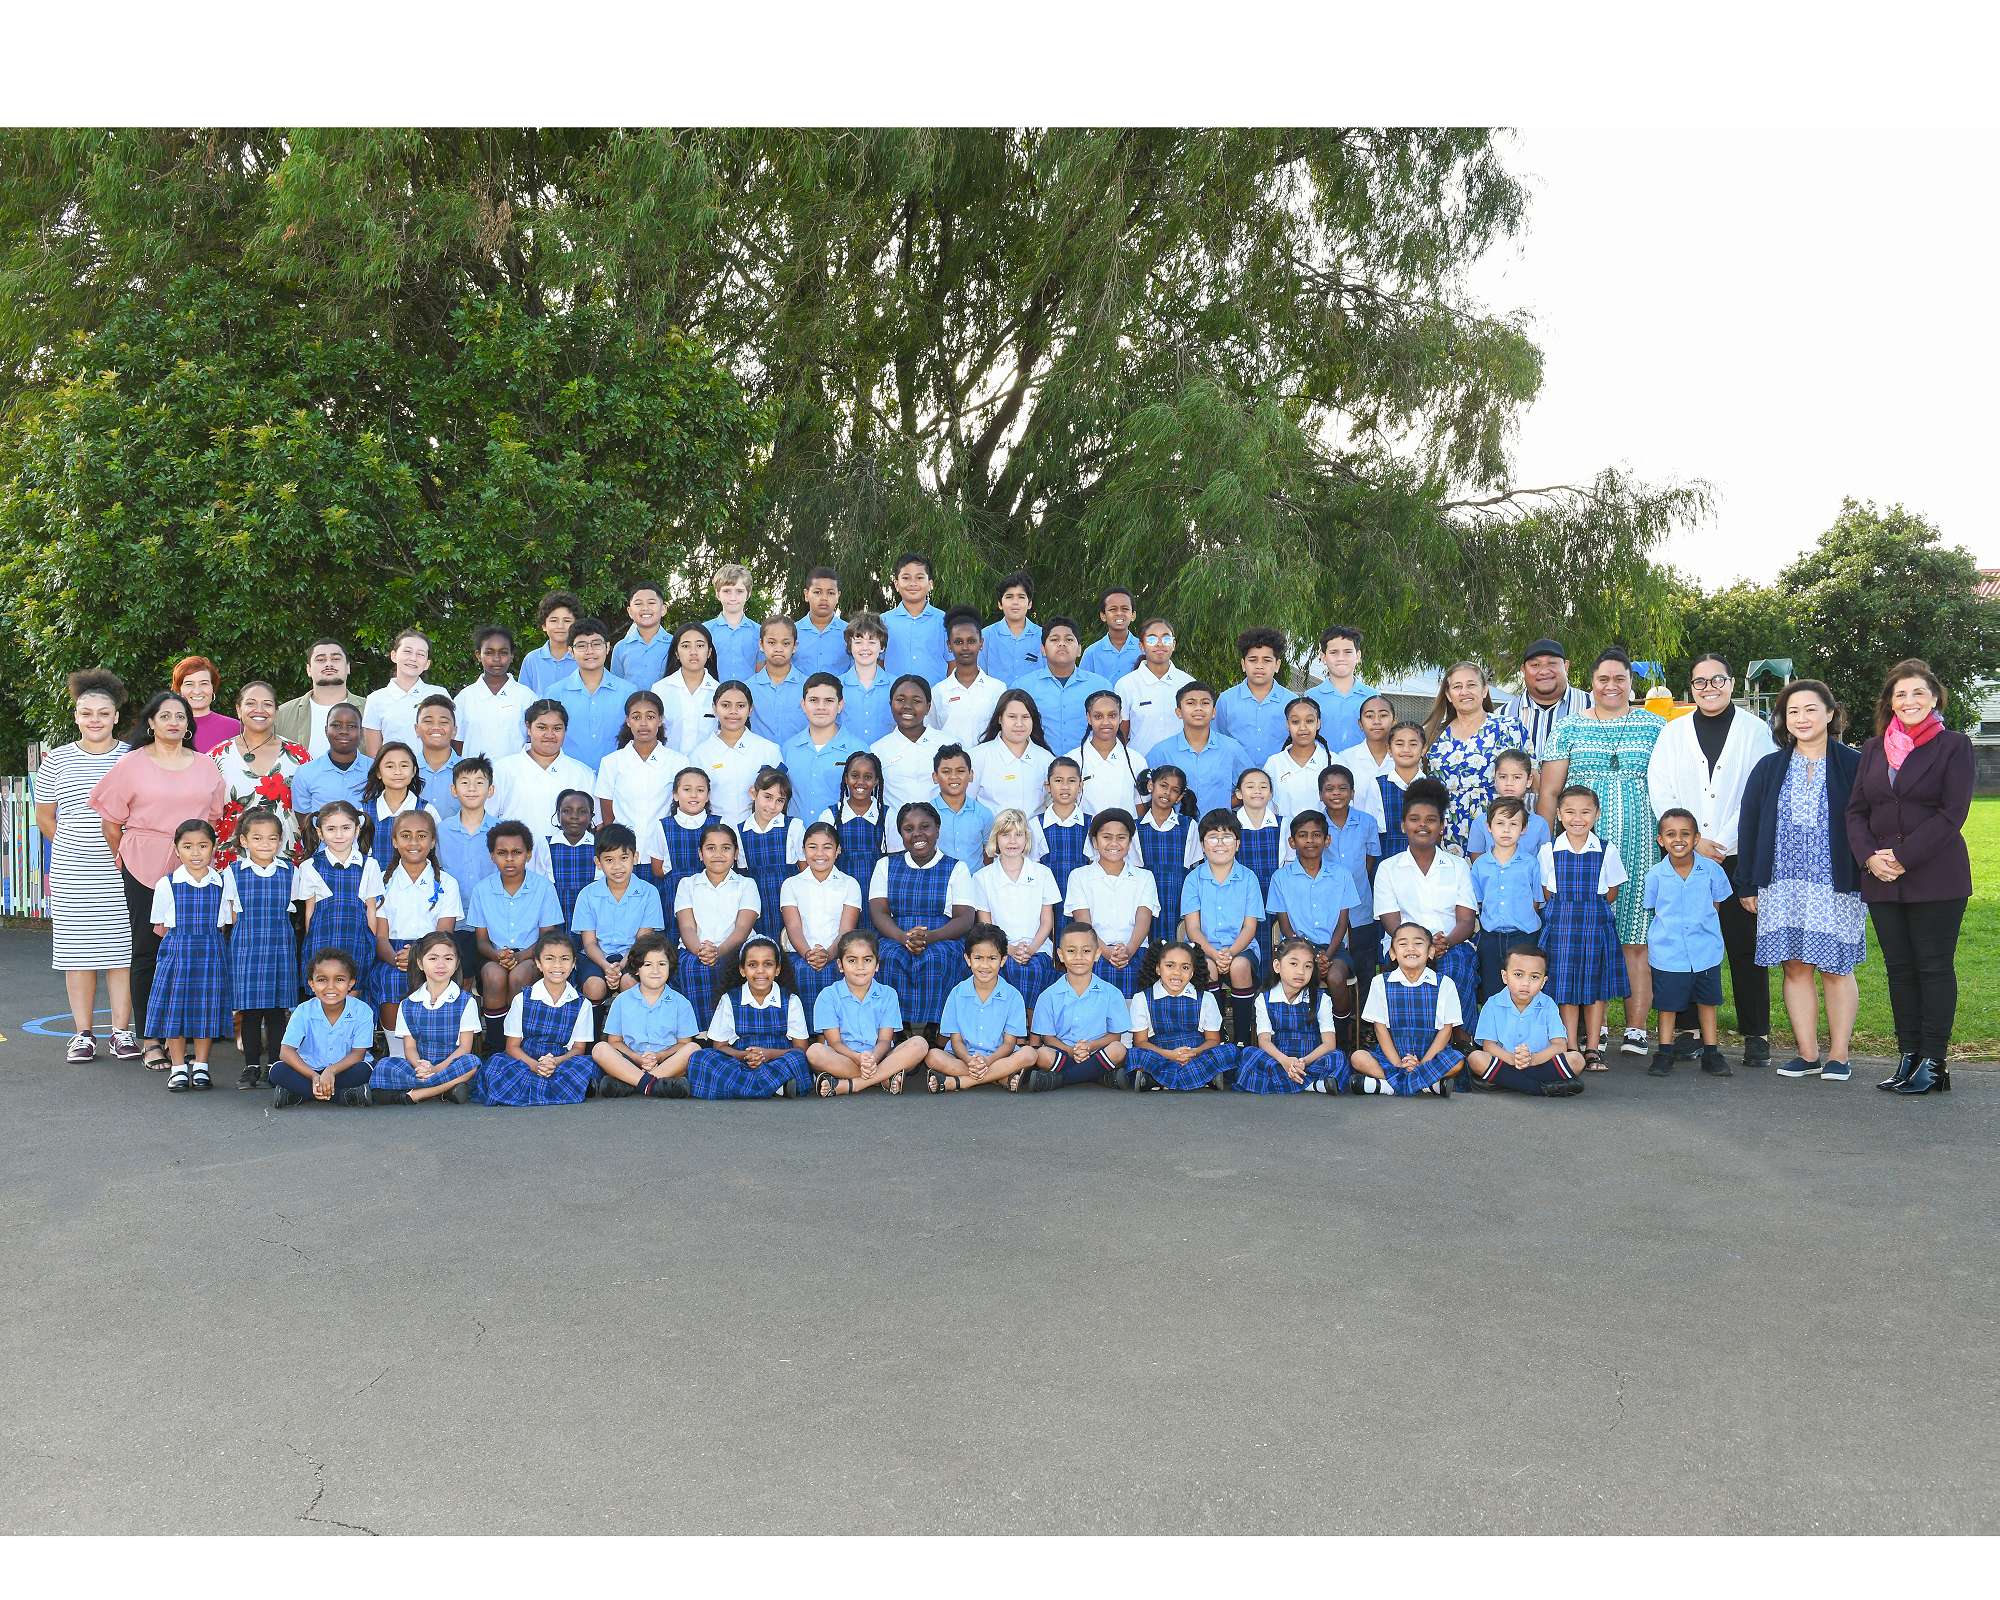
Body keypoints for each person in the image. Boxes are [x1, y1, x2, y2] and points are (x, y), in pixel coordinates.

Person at [1847, 659, 1977, 1095]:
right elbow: (1856, 812)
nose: (1909, 701)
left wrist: (1903, 857)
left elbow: (1953, 812)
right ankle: (1908, 1056)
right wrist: (1869, 858)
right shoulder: (1873, 749)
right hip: (1881, 877)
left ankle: (1934, 1063)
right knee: (1900, 970)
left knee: (1933, 967)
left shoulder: (1954, 746)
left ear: (1935, 697)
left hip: (1936, 875)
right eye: (1900, 694)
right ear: (1890, 702)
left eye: (1918, 692)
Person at [1645, 653, 1777, 1065]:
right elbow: (1660, 787)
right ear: (1691, 688)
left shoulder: (1755, 732)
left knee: (1744, 944)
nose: (1709, 688)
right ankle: (1688, 1029)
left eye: (1717, 680)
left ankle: (1756, 1033)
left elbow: (1759, 791)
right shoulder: (1674, 732)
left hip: (1737, 854)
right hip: (1685, 856)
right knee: (1686, 940)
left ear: (1731, 683)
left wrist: (1720, 842)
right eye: (1700, 682)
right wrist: (1692, 840)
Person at [89, 689, 227, 1069]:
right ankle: (151, 1038)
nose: (173, 722)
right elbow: (111, 822)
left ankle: (183, 1035)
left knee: (195, 949)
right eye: (165, 716)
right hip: (143, 864)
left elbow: (213, 819)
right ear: (151, 722)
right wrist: (126, 857)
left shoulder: (205, 765)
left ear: (189, 725)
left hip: (194, 870)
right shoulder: (131, 764)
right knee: (148, 951)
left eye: (180, 716)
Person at [1537, 646, 1665, 1056]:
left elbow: (1670, 784)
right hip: (1580, 852)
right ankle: (1598, 1028)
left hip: (1641, 845)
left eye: (1620, 679)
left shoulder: (1654, 726)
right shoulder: (1569, 727)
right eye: (1603, 679)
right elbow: (1550, 791)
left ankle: (1636, 1028)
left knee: (1635, 937)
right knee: (1588, 939)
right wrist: (1543, 842)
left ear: (1631, 682)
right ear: (1591, 683)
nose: (1612, 685)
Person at [1735, 678, 1864, 1082]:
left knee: (1836, 966)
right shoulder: (1769, 768)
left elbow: (1869, 821)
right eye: (1793, 711)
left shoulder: (1854, 764)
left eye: (1810, 709)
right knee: (1794, 966)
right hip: (1781, 883)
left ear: (1830, 714)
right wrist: (1748, 883)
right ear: (1783, 719)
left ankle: (1839, 1055)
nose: (1802, 718)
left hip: (1835, 882)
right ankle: (1807, 1054)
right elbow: (1749, 826)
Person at [36, 669, 135, 1062]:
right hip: (72, 873)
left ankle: (122, 1033)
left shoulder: (131, 757)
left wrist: (120, 855)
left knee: (121, 953)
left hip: (122, 871)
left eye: (103, 713)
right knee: (78, 955)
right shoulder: (57, 760)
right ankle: (83, 1034)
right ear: (76, 716)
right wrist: (73, 849)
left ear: (116, 716)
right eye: (87, 712)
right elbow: (45, 817)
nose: (95, 719)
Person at [1539, 784, 1629, 1067]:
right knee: (1565, 989)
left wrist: (1589, 906)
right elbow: (1546, 892)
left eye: (1585, 812)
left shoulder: (1606, 849)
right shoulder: (1549, 850)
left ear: (1597, 814)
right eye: (1570, 812)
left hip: (1595, 926)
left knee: (1595, 988)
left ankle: (1592, 1048)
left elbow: (1611, 892)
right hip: (1561, 928)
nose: (1577, 818)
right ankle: (1571, 1047)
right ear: (1559, 814)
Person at [1371, 778, 1478, 1011]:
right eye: (1414, 819)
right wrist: (1420, 945)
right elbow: (1391, 922)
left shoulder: (1458, 866)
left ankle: (1457, 1033)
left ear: (1442, 827)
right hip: (1402, 946)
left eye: (1431, 820)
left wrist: (1445, 942)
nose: (1422, 825)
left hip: (1450, 944)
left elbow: (1466, 921)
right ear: (1403, 825)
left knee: (1454, 973)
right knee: (1410, 973)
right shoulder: (1388, 868)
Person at [868, 803, 976, 1033]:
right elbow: (879, 912)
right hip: (895, 934)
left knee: (938, 958)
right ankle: (896, 1028)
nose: (917, 834)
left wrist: (931, 937)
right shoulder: (885, 865)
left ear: (937, 829)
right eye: (909, 829)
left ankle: (936, 1028)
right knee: (890, 957)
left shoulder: (956, 868)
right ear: (901, 834)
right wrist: (903, 937)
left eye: (925, 826)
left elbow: (965, 919)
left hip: (942, 935)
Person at [1643, 808, 1734, 1078]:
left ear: (1696, 838)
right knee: (1668, 1005)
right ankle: (1664, 1052)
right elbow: (1654, 907)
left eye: (1685, 834)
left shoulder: (1712, 871)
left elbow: (1716, 903)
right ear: (1661, 840)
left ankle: (1711, 1053)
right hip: (1668, 952)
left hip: (1705, 951)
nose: (1678, 839)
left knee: (1707, 1002)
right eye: (1671, 834)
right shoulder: (1655, 875)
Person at [146, 818, 232, 1092]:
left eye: (203, 846)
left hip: (211, 952)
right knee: (176, 1010)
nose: (196, 853)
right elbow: (161, 924)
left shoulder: (222, 883)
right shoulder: (167, 884)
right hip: (178, 954)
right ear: (176, 849)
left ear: (214, 847)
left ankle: (202, 1066)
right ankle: (178, 1068)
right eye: (187, 846)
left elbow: (224, 922)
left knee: (206, 1009)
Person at [219, 809, 300, 1091]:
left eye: (272, 838)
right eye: (257, 838)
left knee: (277, 1011)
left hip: (279, 946)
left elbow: (295, 911)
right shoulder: (233, 873)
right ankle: (251, 1066)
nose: (265, 844)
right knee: (250, 1011)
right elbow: (231, 917)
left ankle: (276, 1066)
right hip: (247, 947)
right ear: (244, 840)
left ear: (280, 841)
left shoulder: (290, 872)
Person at [463, 820, 566, 1042]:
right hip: (494, 955)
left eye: (517, 852)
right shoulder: (482, 890)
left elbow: (547, 938)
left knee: (520, 977)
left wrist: (519, 957)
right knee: (494, 977)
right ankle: (497, 1045)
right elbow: (481, 941)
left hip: (533, 955)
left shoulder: (544, 888)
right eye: (502, 853)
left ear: (528, 854)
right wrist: (498, 956)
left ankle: (519, 1042)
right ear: (492, 856)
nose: (509, 859)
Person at [473, 932, 599, 1107]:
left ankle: (540, 1088)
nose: (557, 965)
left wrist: (555, 1062)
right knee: (496, 1065)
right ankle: (561, 1090)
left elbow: (578, 1049)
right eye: (549, 959)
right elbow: (512, 1047)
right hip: (525, 1060)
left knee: (584, 1065)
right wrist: (534, 1065)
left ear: (573, 964)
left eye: (564, 959)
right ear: (538, 963)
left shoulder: (581, 1003)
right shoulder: (522, 999)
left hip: (560, 1061)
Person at [366, 810, 463, 1031]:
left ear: (433, 841)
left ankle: (429, 1043)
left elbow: (445, 935)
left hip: (434, 952)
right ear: (394, 841)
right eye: (405, 835)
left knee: (435, 977)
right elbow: (380, 937)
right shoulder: (381, 881)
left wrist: (418, 956)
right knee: (391, 980)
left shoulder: (447, 883)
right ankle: (396, 1047)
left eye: (421, 836)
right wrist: (398, 959)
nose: (413, 842)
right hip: (393, 954)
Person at [1268, 809, 1364, 1030]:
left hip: (1333, 948)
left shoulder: (1342, 875)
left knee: (1336, 977)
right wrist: (1310, 955)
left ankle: (1341, 1037)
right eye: (1303, 835)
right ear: (1292, 842)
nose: (1310, 840)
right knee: (1297, 972)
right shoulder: (1280, 878)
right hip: (1294, 946)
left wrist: (1326, 956)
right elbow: (1285, 926)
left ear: (1327, 840)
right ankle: (1299, 1032)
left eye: (1316, 835)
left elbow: (1342, 924)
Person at [686, 935, 815, 1099]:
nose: (760, 971)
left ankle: (741, 1088)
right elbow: (719, 1047)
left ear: (777, 969)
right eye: (753, 965)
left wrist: (768, 1054)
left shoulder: (791, 1000)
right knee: (701, 1058)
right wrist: (745, 1056)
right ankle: (775, 1087)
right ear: (742, 970)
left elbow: (800, 1049)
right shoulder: (729, 999)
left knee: (797, 1059)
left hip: (777, 1061)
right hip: (740, 1062)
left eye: (768, 964)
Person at [1423, 661, 1532, 855]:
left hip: (1499, 831)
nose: (1464, 691)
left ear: (1484, 690)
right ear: (1448, 694)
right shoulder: (1433, 735)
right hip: (1448, 834)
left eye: (1471, 685)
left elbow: (1533, 780)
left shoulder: (1509, 728)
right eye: (1457, 686)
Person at [1349, 920, 1466, 1095]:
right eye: (1403, 944)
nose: (1411, 948)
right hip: (1391, 1056)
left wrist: (1422, 1064)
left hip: (1431, 1056)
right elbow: (1380, 1029)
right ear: (1393, 953)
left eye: (1418, 943)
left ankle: (1388, 1086)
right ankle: (1428, 1086)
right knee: (1358, 1057)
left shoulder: (1445, 984)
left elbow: (1446, 1031)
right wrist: (1398, 1063)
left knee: (1457, 1061)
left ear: (1431, 952)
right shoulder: (1380, 983)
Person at [806, 929, 929, 1095]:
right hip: (844, 1058)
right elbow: (835, 1043)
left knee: (920, 1044)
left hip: (880, 1057)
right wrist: (858, 1058)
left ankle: (853, 1085)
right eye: (852, 960)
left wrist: (873, 1059)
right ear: (840, 965)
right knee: (814, 1052)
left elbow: (885, 1040)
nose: (860, 967)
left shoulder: (888, 994)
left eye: (867, 960)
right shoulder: (828, 996)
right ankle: (883, 1078)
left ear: (877, 965)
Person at [365, 931, 482, 1104]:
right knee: (384, 1066)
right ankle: (444, 1090)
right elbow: (410, 1048)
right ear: (420, 963)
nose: (441, 964)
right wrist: (420, 1066)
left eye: (448, 958)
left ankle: (416, 1094)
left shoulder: (465, 1001)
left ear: (457, 963)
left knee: (472, 1063)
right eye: (433, 958)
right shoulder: (408, 1004)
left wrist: (436, 1069)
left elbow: (465, 1048)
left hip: (450, 1065)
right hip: (420, 1067)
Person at [1179, 810, 1265, 1041]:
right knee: (1207, 967)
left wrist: (1230, 953)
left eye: (1226, 837)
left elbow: (1250, 927)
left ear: (1237, 844)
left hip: (1241, 948)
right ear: (1202, 845)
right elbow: (1192, 929)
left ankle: (1242, 1039)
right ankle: (1216, 1036)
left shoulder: (1248, 878)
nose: (1220, 843)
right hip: (1203, 949)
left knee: (1239, 966)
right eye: (1212, 837)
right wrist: (1214, 953)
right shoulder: (1193, 879)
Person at [1018, 922, 1131, 1091]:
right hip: (1064, 1053)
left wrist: (1090, 1047)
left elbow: (1115, 1037)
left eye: (1086, 951)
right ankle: (1100, 1076)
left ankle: (1060, 1080)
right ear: (1060, 955)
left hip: (1098, 1052)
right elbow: (1048, 1039)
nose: (1079, 957)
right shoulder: (1048, 996)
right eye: (1071, 951)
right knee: (1042, 1054)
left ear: (1097, 954)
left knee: (1118, 1050)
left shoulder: (1112, 993)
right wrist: (1071, 1051)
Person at [925, 924, 1038, 1092]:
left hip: (999, 1057)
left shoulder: (1013, 996)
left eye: (992, 958)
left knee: (1030, 1054)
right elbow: (956, 1041)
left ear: (1003, 960)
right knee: (932, 1057)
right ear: (968, 959)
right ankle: (999, 1077)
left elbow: (1009, 1044)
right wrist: (969, 1060)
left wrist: (988, 1061)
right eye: (978, 958)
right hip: (963, 1058)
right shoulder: (957, 994)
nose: (985, 965)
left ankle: (959, 1082)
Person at [1230, 936, 1348, 1094]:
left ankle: (1287, 1082)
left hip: (1311, 1060)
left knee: (1338, 1057)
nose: (1301, 971)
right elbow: (1264, 1041)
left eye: (1308, 966)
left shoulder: (1322, 999)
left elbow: (1329, 1044)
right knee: (1248, 1055)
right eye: (1293, 964)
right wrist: (1285, 1061)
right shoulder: (1264, 999)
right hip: (1279, 1060)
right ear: (1277, 966)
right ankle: (1313, 1085)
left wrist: (1304, 1062)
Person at [1465, 944, 1586, 1095]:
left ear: (1543, 982)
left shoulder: (1548, 1004)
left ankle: (1506, 1083)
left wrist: (1532, 1059)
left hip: (1541, 1063)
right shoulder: (1492, 1004)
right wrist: (1512, 1059)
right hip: (1506, 1061)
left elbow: (1559, 1045)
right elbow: (1489, 1046)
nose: (1525, 983)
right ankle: (1541, 1088)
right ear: (1505, 977)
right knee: (1476, 1058)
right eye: (1518, 974)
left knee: (1577, 1060)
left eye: (1534, 977)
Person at [1062, 809, 1158, 1000]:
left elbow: (1143, 918)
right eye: (1106, 837)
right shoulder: (1079, 876)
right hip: (1093, 950)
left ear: (1129, 842)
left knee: (1137, 997)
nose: (1114, 843)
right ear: (1095, 842)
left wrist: (1128, 951)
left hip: (1135, 951)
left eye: (1121, 837)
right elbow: (1083, 922)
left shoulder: (1144, 877)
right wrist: (1106, 952)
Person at [970, 809, 1063, 1007]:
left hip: (1037, 947)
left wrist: (1031, 949)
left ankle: (1033, 1025)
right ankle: (1010, 1024)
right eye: (1006, 834)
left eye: (1018, 834)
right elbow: (986, 925)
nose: (1012, 841)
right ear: (996, 838)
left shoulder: (1043, 873)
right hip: (999, 947)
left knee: (1034, 970)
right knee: (1008, 969)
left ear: (1026, 838)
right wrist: (1009, 949)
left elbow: (1047, 921)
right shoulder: (982, 877)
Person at [294, 800, 382, 1007]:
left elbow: (371, 910)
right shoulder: (309, 866)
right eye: (331, 829)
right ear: (320, 832)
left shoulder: (369, 865)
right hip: (322, 942)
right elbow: (309, 912)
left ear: (357, 829)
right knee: (324, 997)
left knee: (352, 997)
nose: (339, 835)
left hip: (357, 941)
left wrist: (371, 945)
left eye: (346, 828)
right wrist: (310, 946)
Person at [591, 931, 699, 1099]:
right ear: (636, 969)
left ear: (670, 967)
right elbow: (614, 1042)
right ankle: (654, 1084)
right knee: (600, 1049)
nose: (655, 970)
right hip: (631, 1061)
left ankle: (634, 1083)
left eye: (662, 964)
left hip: (666, 1062)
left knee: (694, 1049)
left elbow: (684, 1043)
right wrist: (637, 1059)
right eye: (648, 964)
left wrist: (659, 1056)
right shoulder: (621, 1001)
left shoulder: (681, 1003)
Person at [673, 820, 761, 1025]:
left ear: (736, 853)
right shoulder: (687, 884)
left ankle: (733, 1030)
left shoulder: (746, 884)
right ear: (700, 853)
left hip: (735, 949)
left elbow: (742, 929)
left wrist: (718, 952)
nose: (718, 854)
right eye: (711, 848)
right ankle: (699, 1031)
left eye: (726, 848)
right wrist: (701, 951)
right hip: (696, 949)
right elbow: (687, 927)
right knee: (691, 967)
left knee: (735, 967)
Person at [571, 823, 667, 1004]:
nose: (617, 866)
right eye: (609, 860)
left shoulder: (649, 892)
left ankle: (631, 1021)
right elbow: (589, 943)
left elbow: (643, 941)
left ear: (635, 857)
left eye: (624, 858)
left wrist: (622, 966)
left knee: (629, 982)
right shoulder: (587, 895)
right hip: (598, 957)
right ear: (598, 863)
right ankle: (596, 1020)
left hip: (635, 955)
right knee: (594, 987)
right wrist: (607, 967)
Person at [1127, 939, 1240, 1091]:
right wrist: (1170, 1055)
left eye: (1185, 967)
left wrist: (1193, 1052)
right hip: (1160, 1053)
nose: (1177, 972)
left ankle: (1155, 1079)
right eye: (1170, 965)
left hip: (1195, 1054)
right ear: (1158, 968)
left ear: (1192, 972)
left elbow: (1213, 1040)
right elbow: (1140, 1042)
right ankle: (1205, 1077)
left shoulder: (1206, 998)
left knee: (1229, 1051)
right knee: (1135, 1055)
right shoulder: (1141, 998)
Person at [269, 948, 375, 1108]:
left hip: (343, 1070)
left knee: (365, 1070)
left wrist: (331, 1071)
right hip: (308, 1071)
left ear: (351, 983)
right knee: (277, 1071)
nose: (330, 987)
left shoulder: (362, 1011)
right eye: (322, 980)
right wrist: (314, 1076)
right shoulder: (303, 1011)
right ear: (311, 984)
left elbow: (358, 1054)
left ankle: (298, 1095)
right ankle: (344, 1097)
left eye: (339, 979)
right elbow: (286, 1052)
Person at [780, 819, 863, 1016]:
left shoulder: (850, 884)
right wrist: (808, 954)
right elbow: (793, 927)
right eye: (812, 847)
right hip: (800, 955)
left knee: (839, 975)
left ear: (838, 850)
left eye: (827, 847)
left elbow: (846, 931)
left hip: (837, 953)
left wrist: (828, 954)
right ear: (803, 850)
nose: (819, 854)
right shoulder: (791, 884)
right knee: (801, 973)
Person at [1468, 798, 1543, 1008]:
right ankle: (1493, 1028)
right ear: (1489, 827)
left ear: (1524, 829)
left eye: (1513, 824)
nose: (1506, 830)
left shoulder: (1531, 864)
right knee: (1491, 989)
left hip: (1524, 936)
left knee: (1525, 988)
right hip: (1491, 937)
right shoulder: (1480, 865)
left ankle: (1526, 1026)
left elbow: (1537, 901)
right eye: (1500, 823)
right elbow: (1479, 901)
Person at [1146, 681, 1249, 818]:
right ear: (1178, 712)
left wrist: (1224, 806)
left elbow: (1252, 785)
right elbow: (1146, 792)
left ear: (1214, 712)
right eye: (1191, 703)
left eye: (1205, 703)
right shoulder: (1161, 751)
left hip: (1218, 828)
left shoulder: (1232, 748)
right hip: (1176, 827)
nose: (1198, 708)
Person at [489, 700, 596, 828]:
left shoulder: (583, 774)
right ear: (528, 728)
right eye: (541, 727)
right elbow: (487, 818)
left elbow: (595, 824)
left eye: (557, 728)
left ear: (565, 730)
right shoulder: (502, 769)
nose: (549, 735)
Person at [548, 617, 637, 768]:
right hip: (569, 776)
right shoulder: (554, 693)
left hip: (617, 775)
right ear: (571, 651)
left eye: (596, 644)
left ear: (607, 647)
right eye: (581, 645)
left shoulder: (628, 692)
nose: (590, 651)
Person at [1015, 617, 1111, 757]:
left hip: (1088, 763)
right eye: (1054, 639)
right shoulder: (1023, 687)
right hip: (1037, 763)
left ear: (1079, 650)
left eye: (1069, 639)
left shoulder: (1101, 687)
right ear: (1043, 649)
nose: (1061, 644)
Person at [689, 680, 780, 826]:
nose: (733, 711)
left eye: (741, 706)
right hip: (714, 834)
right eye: (725, 705)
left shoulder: (769, 750)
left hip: (760, 833)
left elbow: (780, 797)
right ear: (714, 708)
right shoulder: (699, 756)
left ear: (750, 709)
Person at [780, 673, 864, 825]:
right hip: (797, 836)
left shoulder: (858, 750)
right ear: (803, 705)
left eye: (829, 701)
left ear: (840, 705)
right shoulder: (788, 749)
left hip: (840, 835)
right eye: (813, 700)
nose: (821, 707)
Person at [595, 690, 686, 829]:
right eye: (636, 717)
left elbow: (682, 809)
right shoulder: (610, 763)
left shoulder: (678, 762)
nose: (643, 723)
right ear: (628, 721)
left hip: (663, 841)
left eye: (650, 717)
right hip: (623, 842)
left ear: (660, 720)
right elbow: (608, 817)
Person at [872, 675, 946, 845]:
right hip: (896, 840)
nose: (907, 706)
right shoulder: (878, 750)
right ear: (890, 704)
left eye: (916, 701)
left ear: (928, 707)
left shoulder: (946, 744)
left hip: (941, 840)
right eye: (900, 700)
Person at [1135, 765, 1200, 952]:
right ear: (1151, 786)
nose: (1167, 793)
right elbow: (1134, 871)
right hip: (1145, 898)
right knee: (1149, 951)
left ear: (1179, 797)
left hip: (1178, 897)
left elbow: (1193, 869)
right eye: (1163, 786)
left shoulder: (1189, 826)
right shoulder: (1135, 827)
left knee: (1177, 950)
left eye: (1174, 790)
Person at [289, 703, 370, 848]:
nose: (344, 731)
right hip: (322, 854)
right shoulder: (306, 772)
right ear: (326, 730)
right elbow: (304, 819)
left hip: (367, 853)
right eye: (336, 725)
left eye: (351, 726)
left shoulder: (375, 770)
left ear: (361, 732)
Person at [1501, 638, 1593, 763]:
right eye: (1535, 665)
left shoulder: (1592, 707)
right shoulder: (1503, 715)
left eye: (1552, 663)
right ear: (1523, 670)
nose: (1544, 671)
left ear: (1566, 666)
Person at [734, 769, 801, 940]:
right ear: (753, 793)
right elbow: (742, 875)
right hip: (756, 903)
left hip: (789, 903)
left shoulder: (794, 827)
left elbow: (804, 870)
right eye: (768, 797)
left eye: (780, 800)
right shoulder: (739, 831)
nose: (772, 806)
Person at [641, 767, 718, 913]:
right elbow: (657, 870)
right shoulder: (663, 826)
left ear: (708, 796)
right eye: (687, 789)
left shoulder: (719, 824)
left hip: (712, 895)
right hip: (674, 895)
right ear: (675, 795)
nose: (694, 795)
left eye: (700, 790)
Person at [454, 625, 534, 762]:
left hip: (514, 773)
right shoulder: (465, 698)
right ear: (478, 655)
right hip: (474, 773)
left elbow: (533, 740)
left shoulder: (526, 697)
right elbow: (457, 741)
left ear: (511, 656)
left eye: (503, 652)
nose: (496, 659)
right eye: (489, 652)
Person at [360, 630, 445, 757]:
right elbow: (374, 755)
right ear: (393, 655)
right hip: (394, 769)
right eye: (407, 651)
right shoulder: (376, 699)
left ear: (427, 664)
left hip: (435, 769)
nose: (413, 658)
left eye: (420, 654)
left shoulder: (439, 694)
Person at [928, 607, 1005, 749]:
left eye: (971, 641)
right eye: (958, 642)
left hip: (988, 761)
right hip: (951, 762)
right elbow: (932, 734)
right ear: (949, 645)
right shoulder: (938, 692)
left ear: (981, 643)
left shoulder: (998, 689)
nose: (965, 647)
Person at [1116, 618, 1193, 757]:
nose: (1159, 644)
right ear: (1141, 646)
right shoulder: (1126, 684)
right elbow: (1121, 733)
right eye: (1152, 639)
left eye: (1166, 639)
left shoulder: (1188, 683)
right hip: (1141, 763)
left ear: (1174, 644)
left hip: (1180, 763)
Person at [276, 639, 365, 758]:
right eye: (320, 660)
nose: (329, 664)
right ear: (308, 669)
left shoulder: (370, 710)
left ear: (348, 667)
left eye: (336, 659)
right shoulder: (282, 714)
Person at [1216, 628, 1292, 767]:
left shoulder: (1291, 701)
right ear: (1243, 664)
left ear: (1277, 665)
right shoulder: (1226, 700)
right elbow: (1219, 740)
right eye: (1253, 660)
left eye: (1267, 660)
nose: (1259, 666)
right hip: (1237, 776)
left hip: (1280, 775)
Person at [971, 689, 1055, 814]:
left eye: (1025, 717)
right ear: (1000, 719)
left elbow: (1053, 805)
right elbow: (968, 803)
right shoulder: (977, 757)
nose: (1019, 724)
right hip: (991, 827)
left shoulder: (1046, 759)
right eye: (1012, 717)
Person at [359, 741, 438, 870]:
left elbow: (437, 855)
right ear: (378, 772)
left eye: (404, 765)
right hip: (375, 882)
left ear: (414, 771)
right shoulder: (364, 813)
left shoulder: (427, 811)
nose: (397, 772)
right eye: (390, 766)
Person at [1069, 689, 1146, 819]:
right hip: (1087, 831)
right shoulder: (1073, 760)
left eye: (1112, 715)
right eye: (1098, 716)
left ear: (1120, 717)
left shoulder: (1136, 760)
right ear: (1088, 718)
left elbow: (1140, 806)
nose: (1106, 722)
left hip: (1127, 831)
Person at [1464, 750, 1552, 862]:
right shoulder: (1481, 823)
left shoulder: (1540, 824)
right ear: (1495, 779)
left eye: (1517, 777)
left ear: (1529, 780)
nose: (1509, 783)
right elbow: (1478, 865)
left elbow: (1545, 865)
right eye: (1502, 777)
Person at [818, 750, 889, 889]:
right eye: (854, 776)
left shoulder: (887, 816)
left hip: (878, 893)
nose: (860, 782)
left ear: (876, 781)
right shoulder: (830, 816)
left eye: (868, 777)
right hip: (839, 893)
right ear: (846, 778)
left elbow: (895, 860)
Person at [650, 622, 719, 755]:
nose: (693, 652)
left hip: (708, 765)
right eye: (686, 646)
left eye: (700, 645)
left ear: (709, 652)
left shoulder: (719, 692)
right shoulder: (660, 689)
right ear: (676, 653)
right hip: (669, 765)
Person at [534, 789, 599, 928]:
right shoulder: (546, 844)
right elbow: (540, 884)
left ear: (591, 816)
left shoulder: (599, 845)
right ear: (558, 815)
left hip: (591, 917)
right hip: (556, 915)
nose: (574, 816)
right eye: (567, 811)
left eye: (582, 811)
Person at [882, 552, 949, 683]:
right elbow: (878, 661)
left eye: (919, 577)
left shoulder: (945, 621)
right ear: (896, 584)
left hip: (934, 693)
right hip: (893, 693)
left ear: (930, 584)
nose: (913, 583)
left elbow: (952, 662)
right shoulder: (883, 622)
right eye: (906, 578)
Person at [1264, 697, 1333, 823]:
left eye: (1309, 721)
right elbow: (1266, 808)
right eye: (1295, 722)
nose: (1302, 727)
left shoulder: (1334, 761)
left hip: (1325, 834)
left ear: (1318, 723)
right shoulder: (1274, 763)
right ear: (1287, 725)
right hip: (1284, 834)